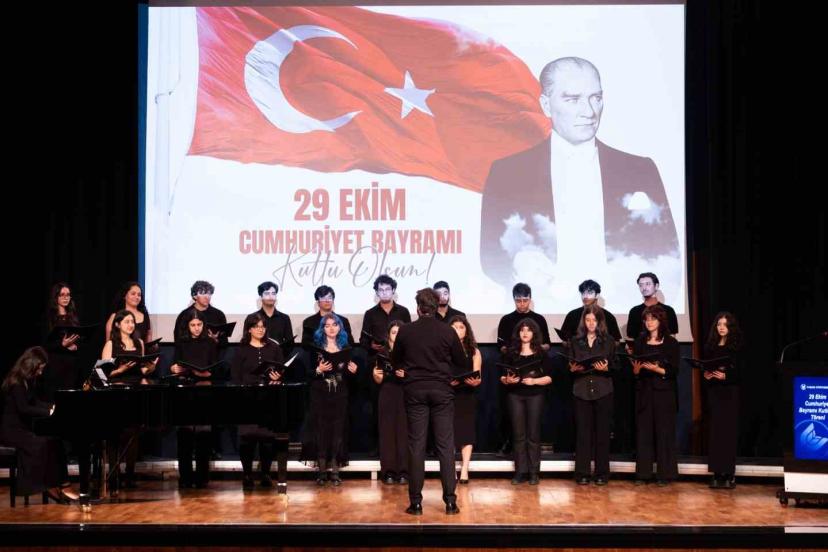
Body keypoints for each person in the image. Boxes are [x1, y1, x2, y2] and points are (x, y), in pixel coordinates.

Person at [480, 57, 680, 307]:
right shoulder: (508, 172)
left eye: (596, 98)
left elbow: (668, 251)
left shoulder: (640, 170)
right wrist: (520, 266)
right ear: (546, 105)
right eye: (573, 99)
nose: (589, 111)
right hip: (541, 311)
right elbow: (490, 256)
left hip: (620, 313)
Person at [392, 288, 466, 516]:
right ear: (436, 307)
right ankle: (450, 503)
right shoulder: (447, 331)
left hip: (415, 391)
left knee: (416, 446)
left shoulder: (406, 331)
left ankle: (415, 503)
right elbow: (461, 361)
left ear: (418, 308)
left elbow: (395, 360)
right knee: (445, 446)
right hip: (442, 391)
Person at [1, 347, 78, 504]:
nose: (41, 372)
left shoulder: (27, 381)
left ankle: (63, 484)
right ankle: (47, 485)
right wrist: (48, 412)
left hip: (22, 430)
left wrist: (53, 407)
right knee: (42, 444)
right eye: (39, 368)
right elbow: (24, 408)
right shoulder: (16, 382)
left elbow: (35, 402)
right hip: (12, 432)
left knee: (55, 441)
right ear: (30, 364)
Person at [100, 309, 156, 489]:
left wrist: (151, 367)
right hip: (115, 392)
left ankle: (130, 475)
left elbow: (142, 370)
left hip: (135, 392)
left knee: (133, 434)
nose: (131, 325)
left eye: (132, 322)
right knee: (114, 434)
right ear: (117, 324)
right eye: (127, 322)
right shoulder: (110, 344)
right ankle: (113, 474)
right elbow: (102, 374)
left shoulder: (139, 343)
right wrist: (120, 370)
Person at [301, 313, 358, 486]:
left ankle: (335, 469)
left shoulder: (346, 347)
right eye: (327, 325)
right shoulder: (315, 349)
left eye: (334, 324)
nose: (331, 328)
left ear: (340, 327)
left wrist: (353, 371)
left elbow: (349, 376)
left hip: (339, 394)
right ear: (322, 329)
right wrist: (318, 370)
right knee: (320, 431)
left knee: (338, 431)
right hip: (320, 394)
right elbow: (306, 373)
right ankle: (321, 471)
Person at [231, 313, 284, 490]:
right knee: (247, 439)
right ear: (249, 329)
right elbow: (235, 376)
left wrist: (278, 377)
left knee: (267, 439)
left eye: (263, 326)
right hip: (247, 399)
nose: (260, 330)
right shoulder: (241, 349)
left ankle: (266, 474)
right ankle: (247, 475)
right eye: (256, 327)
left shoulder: (274, 348)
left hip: (268, 398)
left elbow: (281, 370)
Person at [496, 283, 550, 456]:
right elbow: (501, 346)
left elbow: (547, 344)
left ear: (530, 299)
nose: (521, 304)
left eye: (525, 300)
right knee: (510, 416)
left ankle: (532, 456)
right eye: (518, 300)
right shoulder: (506, 320)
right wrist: (515, 351)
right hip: (513, 367)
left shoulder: (539, 319)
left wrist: (533, 350)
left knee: (533, 424)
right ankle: (508, 444)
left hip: (535, 369)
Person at [170, 308, 219, 489]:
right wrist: (174, 369)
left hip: (204, 391)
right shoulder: (181, 342)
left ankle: (202, 477)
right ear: (187, 326)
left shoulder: (210, 343)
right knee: (184, 436)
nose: (197, 328)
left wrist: (206, 373)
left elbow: (216, 368)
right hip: (185, 391)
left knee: (203, 436)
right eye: (193, 325)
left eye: (199, 324)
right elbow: (175, 365)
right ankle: (185, 477)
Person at [500, 318, 553, 485]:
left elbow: (549, 378)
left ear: (534, 333)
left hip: (535, 395)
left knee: (533, 434)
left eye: (528, 330)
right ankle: (520, 471)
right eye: (522, 330)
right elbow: (502, 376)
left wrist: (534, 381)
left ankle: (534, 472)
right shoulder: (511, 353)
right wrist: (507, 380)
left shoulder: (541, 353)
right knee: (518, 435)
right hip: (515, 395)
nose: (525, 333)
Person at [631, 304, 679, 486]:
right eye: (647, 319)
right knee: (644, 433)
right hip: (644, 392)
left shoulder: (671, 343)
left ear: (660, 321)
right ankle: (643, 474)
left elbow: (674, 371)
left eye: (653, 319)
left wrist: (657, 369)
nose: (649, 322)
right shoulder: (640, 342)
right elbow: (635, 370)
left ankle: (664, 474)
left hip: (664, 393)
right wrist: (636, 370)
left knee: (664, 433)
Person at [568, 305, 615, 485]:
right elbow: (569, 365)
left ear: (600, 322)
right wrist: (572, 368)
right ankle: (583, 473)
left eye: (594, 320)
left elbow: (616, 365)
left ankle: (602, 473)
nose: (591, 323)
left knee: (602, 433)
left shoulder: (608, 341)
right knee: (583, 434)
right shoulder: (575, 341)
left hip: (603, 390)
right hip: (581, 390)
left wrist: (607, 368)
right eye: (587, 320)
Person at [703, 312, 744, 489]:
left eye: (725, 324)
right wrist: (706, 374)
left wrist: (726, 376)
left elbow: (742, 371)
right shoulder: (711, 346)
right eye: (719, 324)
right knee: (715, 432)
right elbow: (707, 366)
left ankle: (729, 473)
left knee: (728, 432)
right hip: (715, 391)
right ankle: (716, 472)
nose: (721, 327)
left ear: (730, 327)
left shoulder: (737, 347)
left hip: (730, 392)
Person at [371, 320, 408, 485]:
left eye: (399, 332)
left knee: (404, 432)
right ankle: (388, 472)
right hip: (387, 392)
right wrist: (376, 376)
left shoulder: (410, 352)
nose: (396, 335)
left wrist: (406, 375)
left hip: (405, 393)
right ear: (388, 335)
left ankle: (404, 471)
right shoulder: (382, 353)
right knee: (387, 433)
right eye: (393, 332)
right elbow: (378, 379)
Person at [447, 315, 482, 484]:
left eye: (461, 327)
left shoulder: (474, 351)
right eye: (454, 327)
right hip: (449, 395)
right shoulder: (444, 349)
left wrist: (475, 381)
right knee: (449, 433)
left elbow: (478, 376)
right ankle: (450, 470)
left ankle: (465, 470)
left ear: (467, 330)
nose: (458, 330)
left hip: (467, 394)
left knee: (466, 433)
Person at [41, 282, 83, 400]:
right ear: (56, 297)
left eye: (68, 295)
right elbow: (45, 345)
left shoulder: (73, 317)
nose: (66, 297)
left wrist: (76, 346)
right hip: (55, 364)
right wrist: (62, 344)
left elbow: (80, 339)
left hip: (72, 365)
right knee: (56, 398)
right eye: (62, 295)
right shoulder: (49, 318)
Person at [173, 280, 229, 347]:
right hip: (189, 352)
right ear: (194, 296)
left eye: (209, 293)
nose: (207, 297)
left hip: (213, 352)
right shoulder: (184, 315)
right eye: (202, 293)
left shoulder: (218, 314)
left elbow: (224, 342)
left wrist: (215, 340)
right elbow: (178, 340)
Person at [626, 272, 679, 341]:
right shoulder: (634, 311)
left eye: (648, 284)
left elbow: (672, 336)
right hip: (640, 347)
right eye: (641, 285)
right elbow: (631, 337)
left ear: (656, 286)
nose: (644, 288)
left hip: (664, 347)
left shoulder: (668, 310)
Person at [254, 281, 294, 355]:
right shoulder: (252, 317)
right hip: (257, 357)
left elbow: (290, 344)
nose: (270, 296)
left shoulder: (284, 318)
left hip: (279, 357)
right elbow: (247, 342)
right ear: (261, 296)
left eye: (273, 293)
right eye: (267, 293)